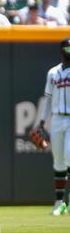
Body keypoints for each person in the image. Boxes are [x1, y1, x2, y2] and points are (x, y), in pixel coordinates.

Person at [37, 37, 70, 216]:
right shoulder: (53, 73)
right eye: (68, 48)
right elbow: (48, 99)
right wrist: (42, 122)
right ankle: (59, 203)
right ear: (62, 50)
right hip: (57, 119)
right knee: (58, 161)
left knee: (68, 155)